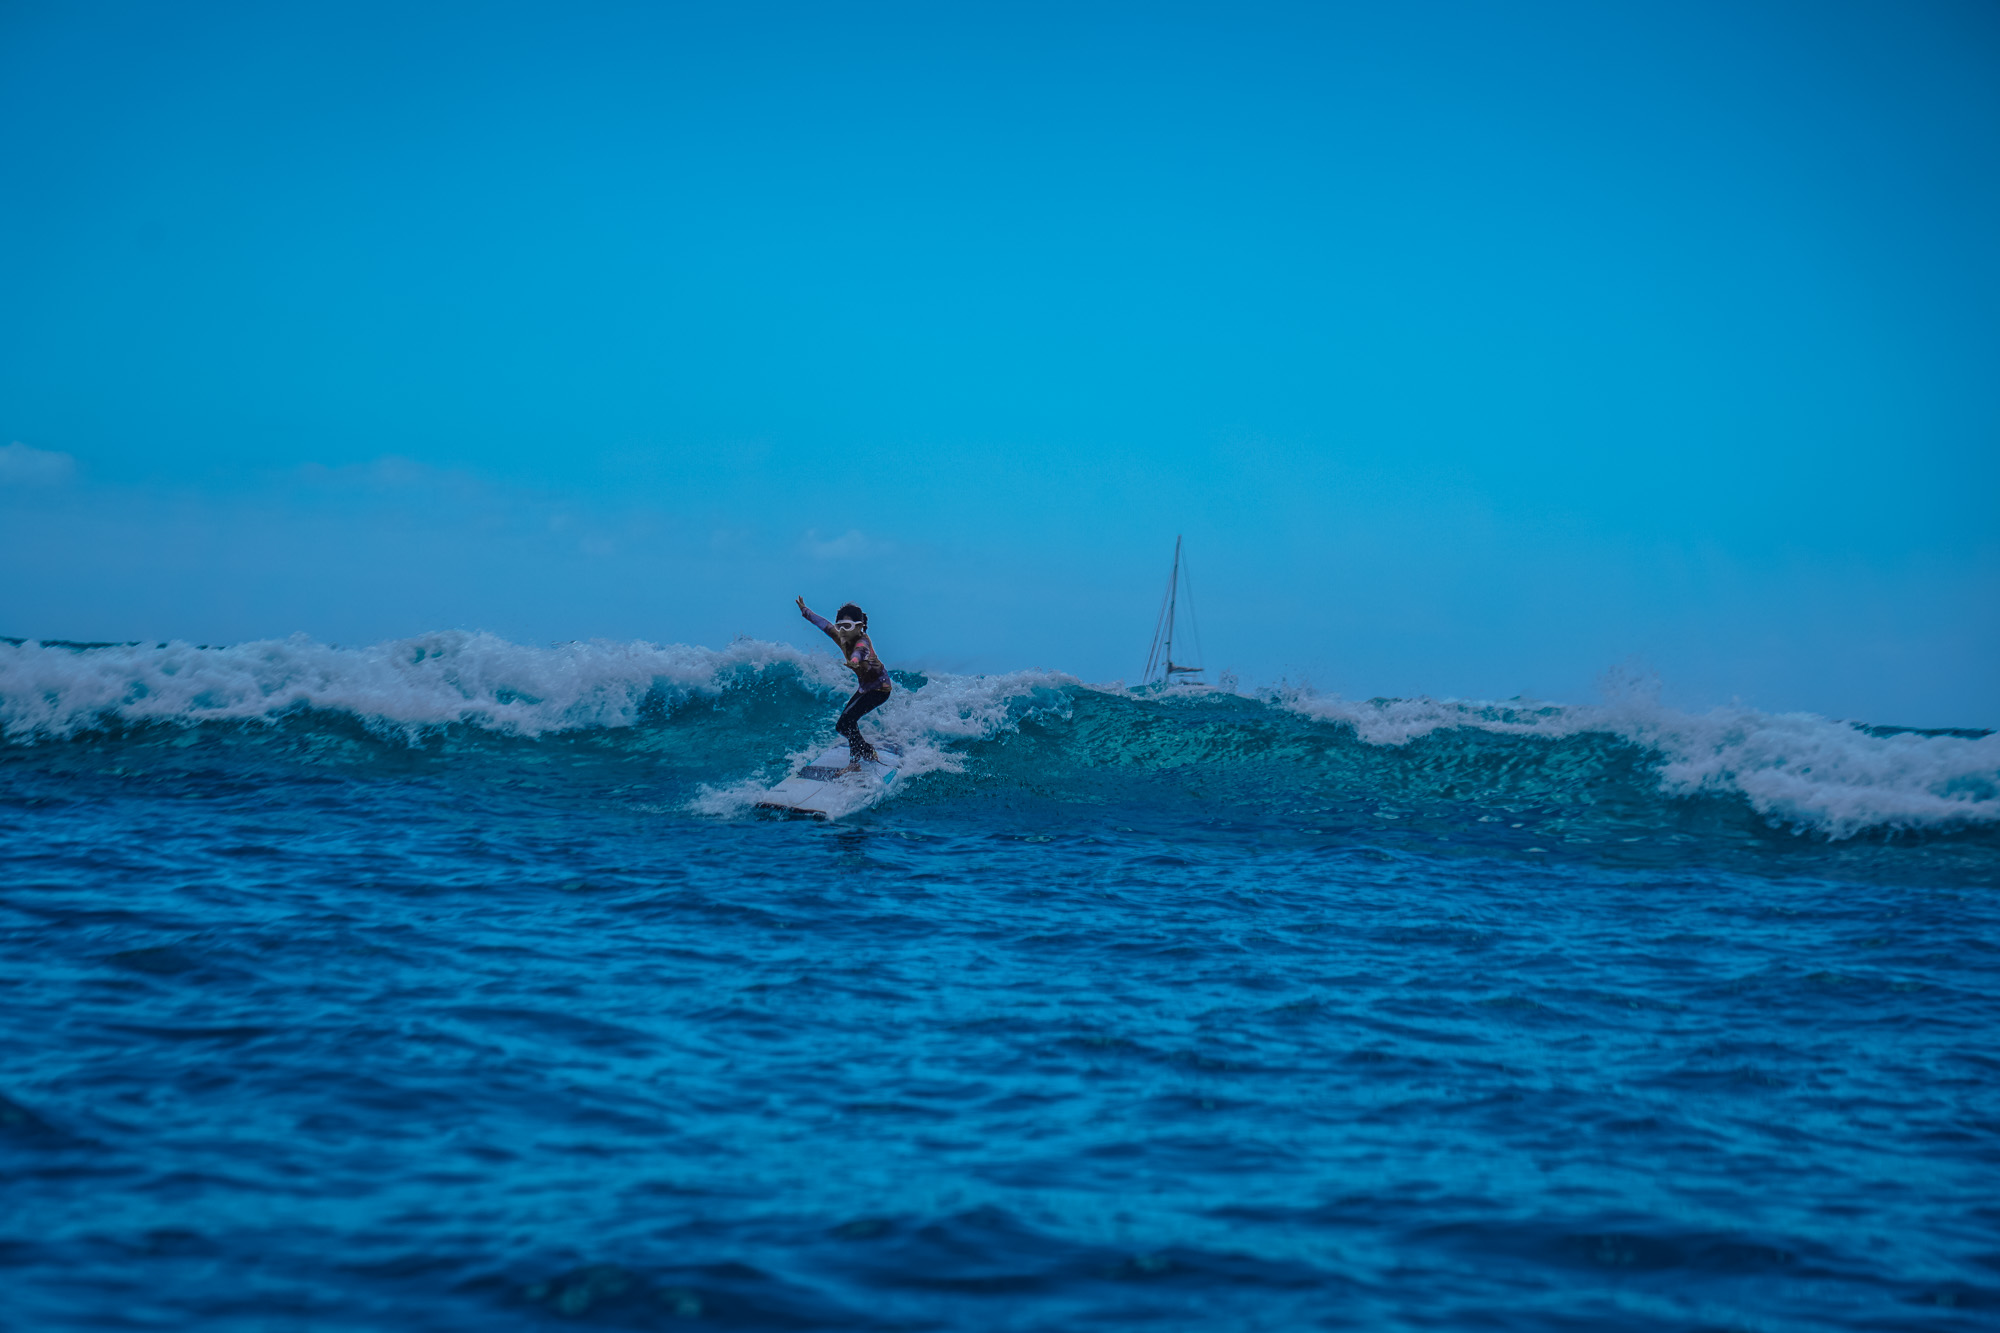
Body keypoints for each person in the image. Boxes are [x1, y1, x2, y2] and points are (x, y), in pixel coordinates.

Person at [796, 597, 890, 765]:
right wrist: (805, 611)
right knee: (842, 726)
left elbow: (860, 652)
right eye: (840, 626)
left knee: (847, 722)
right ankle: (867, 751)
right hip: (866, 688)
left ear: (860, 626)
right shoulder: (841, 637)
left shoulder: (862, 641)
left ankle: (855, 763)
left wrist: (854, 661)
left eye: (847, 626)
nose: (842, 630)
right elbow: (823, 623)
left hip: (879, 689)